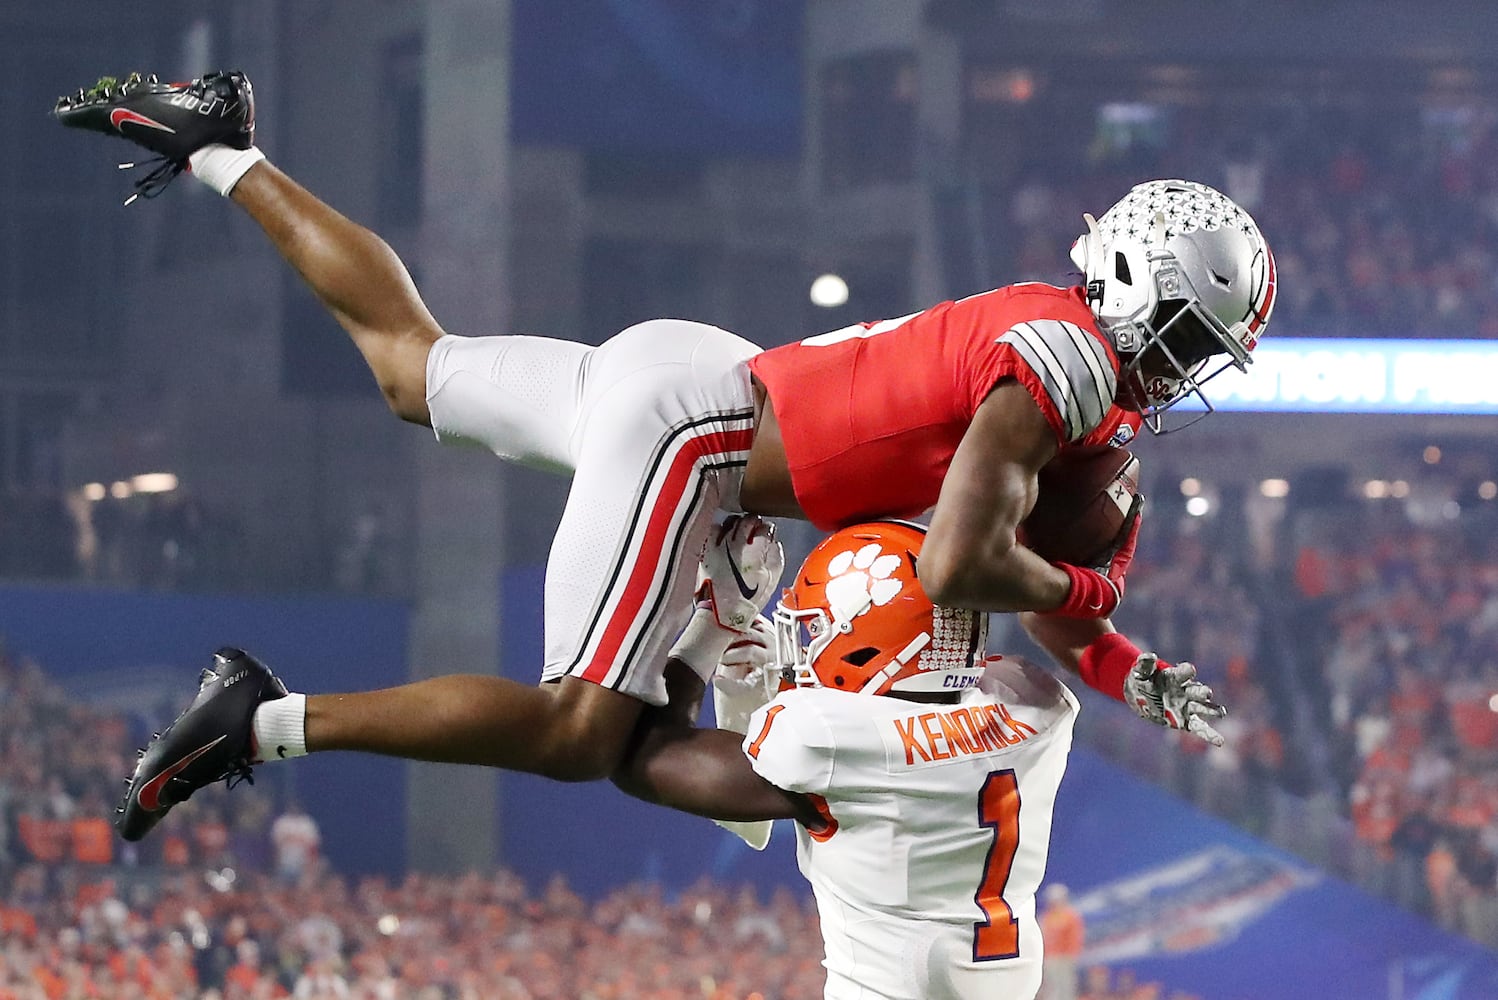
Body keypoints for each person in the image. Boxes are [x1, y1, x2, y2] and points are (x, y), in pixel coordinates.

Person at [53, 71, 1261, 840]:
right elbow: (956, 564)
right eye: (1191, 336)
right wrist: (1084, 588)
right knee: (584, 732)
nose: (1186, 368)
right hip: (706, 442)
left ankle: (222, 148)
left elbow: (1026, 586)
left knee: (413, 368)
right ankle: (259, 718)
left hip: (706, 388)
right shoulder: (1068, 363)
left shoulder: (1061, 356)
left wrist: (1131, 669)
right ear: (1134, 293)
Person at [617, 520, 1086, 1000]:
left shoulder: (829, 741)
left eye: (817, 629)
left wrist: (716, 623)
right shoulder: (1036, 708)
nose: (804, 648)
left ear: (865, 637)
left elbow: (643, 752)